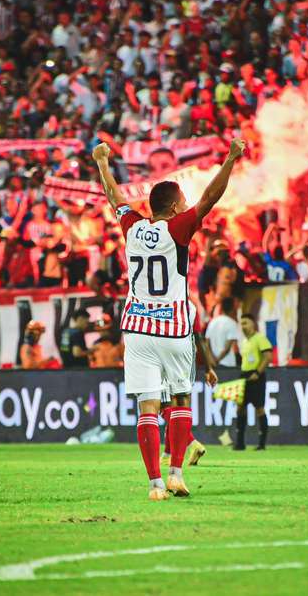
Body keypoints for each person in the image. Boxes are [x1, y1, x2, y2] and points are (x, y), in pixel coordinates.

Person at [93, 137, 246, 500]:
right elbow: (210, 198)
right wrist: (230, 159)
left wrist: (102, 162)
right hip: (174, 328)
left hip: (138, 329)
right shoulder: (177, 229)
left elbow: (115, 197)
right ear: (176, 206)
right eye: (184, 202)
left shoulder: (133, 226)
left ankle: (155, 484)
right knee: (180, 400)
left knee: (147, 406)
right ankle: (176, 473)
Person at [162, 304, 217, 467]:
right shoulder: (190, 307)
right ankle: (167, 455)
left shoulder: (161, 301)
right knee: (177, 405)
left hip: (164, 354)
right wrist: (208, 368)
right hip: (187, 357)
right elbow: (198, 338)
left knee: (165, 405)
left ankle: (192, 444)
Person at [235, 314, 273, 451]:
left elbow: (268, 356)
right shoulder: (244, 341)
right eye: (241, 323)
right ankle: (240, 443)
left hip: (256, 376)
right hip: (244, 375)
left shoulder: (260, 338)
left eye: (245, 323)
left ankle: (262, 444)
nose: (243, 326)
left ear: (253, 324)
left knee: (259, 408)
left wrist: (257, 372)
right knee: (240, 407)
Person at [205, 296, 239, 367]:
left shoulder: (212, 322)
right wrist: (217, 360)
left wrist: (212, 360)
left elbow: (207, 344)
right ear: (233, 309)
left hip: (213, 364)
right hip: (227, 363)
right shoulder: (232, 323)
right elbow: (227, 348)